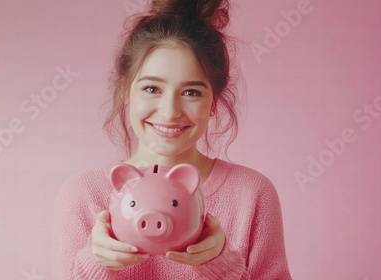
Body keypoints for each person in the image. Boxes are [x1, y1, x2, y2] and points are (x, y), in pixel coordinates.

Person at [52, 0, 292, 279]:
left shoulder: (252, 195)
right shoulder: (82, 196)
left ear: (213, 101)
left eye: (191, 92)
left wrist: (219, 263)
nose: (169, 112)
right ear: (126, 92)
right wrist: (96, 263)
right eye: (152, 88)